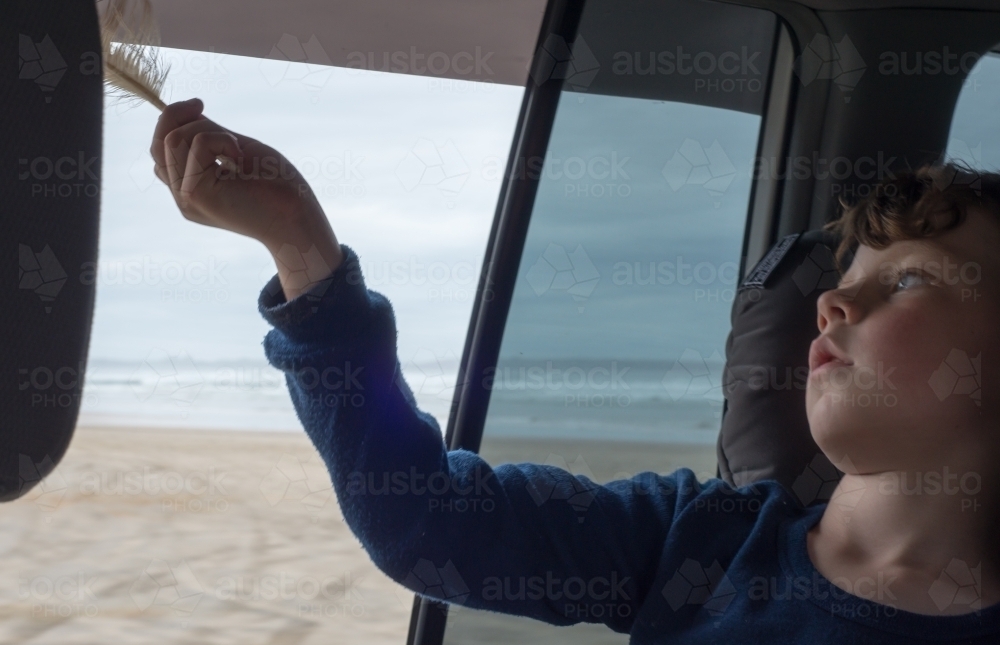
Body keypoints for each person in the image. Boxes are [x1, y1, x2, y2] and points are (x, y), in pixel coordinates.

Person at [151, 97, 1000, 643]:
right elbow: (421, 518)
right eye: (845, 282)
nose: (833, 306)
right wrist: (302, 248)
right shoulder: (695, 540)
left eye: (910, 279)